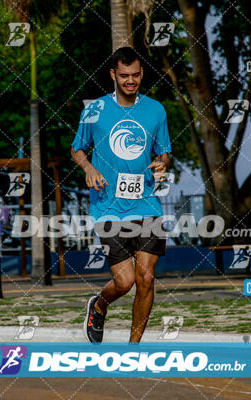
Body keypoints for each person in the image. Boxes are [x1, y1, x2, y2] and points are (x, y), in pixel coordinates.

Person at [71, 47, 172, 343]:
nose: (131, 81)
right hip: (108, 207)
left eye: (136, 75)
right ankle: (99, 304)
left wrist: (162, 163)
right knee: (125, 282)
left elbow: (164, 151)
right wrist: (88, 167)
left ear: (142, 74)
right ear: (113, 74)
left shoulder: (156, 110)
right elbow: (77, 148)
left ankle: (134, 348)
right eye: (124, 75)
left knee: (146, 278)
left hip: (146, 204)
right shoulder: (95, 110)